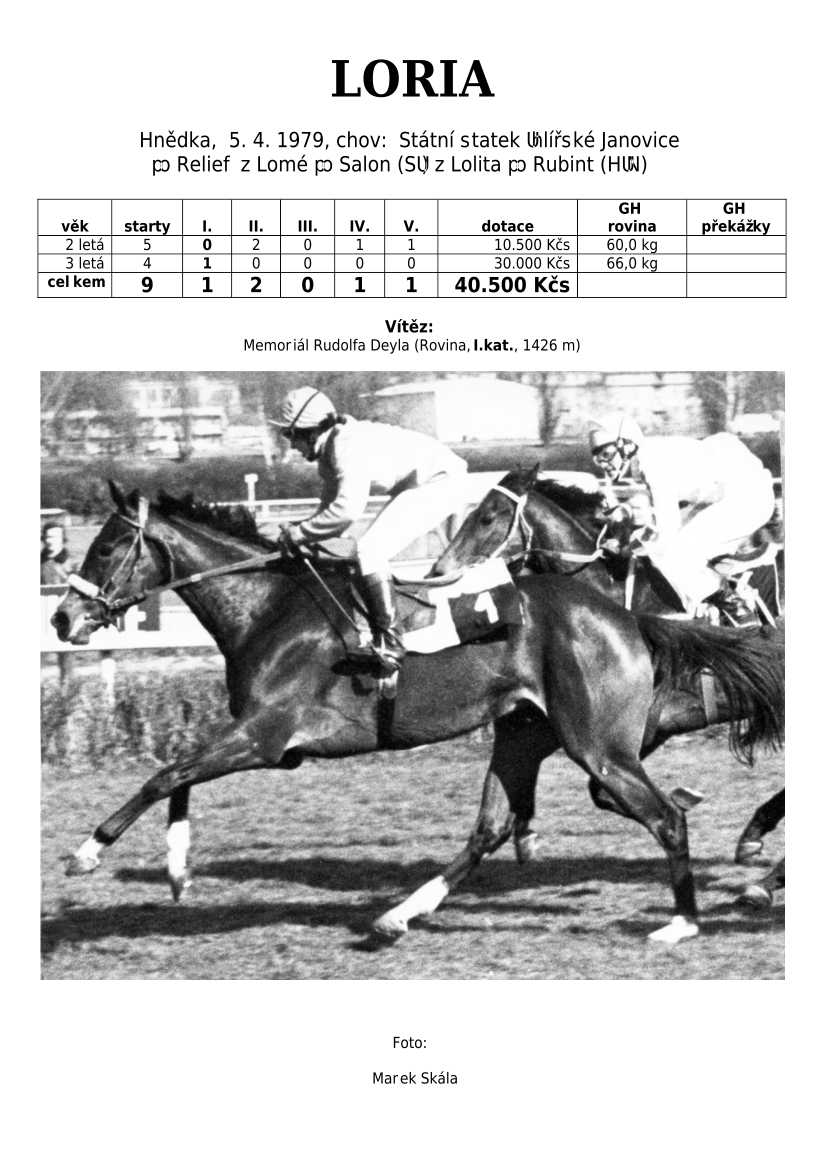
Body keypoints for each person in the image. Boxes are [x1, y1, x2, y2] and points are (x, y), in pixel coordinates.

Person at [270, 386, 470, 673]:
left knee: (369, 551)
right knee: (365, 550)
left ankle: (391, 644)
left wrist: (300, 534)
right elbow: (328, 512)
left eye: (291, 435)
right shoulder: (330, 450)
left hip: (442, 482)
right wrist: (301, 531)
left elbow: (347, 511)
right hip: (423, 482)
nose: (291, 446)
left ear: (310, 432)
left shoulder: (346, 447)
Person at [588, 414, 776, 620]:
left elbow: (665, 532)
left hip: (747, 496)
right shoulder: (646, 458)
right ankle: (719, 602)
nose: (603, 464)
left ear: (627, 445)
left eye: (606, 454)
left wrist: (626, 548)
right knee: (676, 550)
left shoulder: (652, 463)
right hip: (734, 493)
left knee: (674, 554)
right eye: (598, 458)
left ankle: (738, 610)